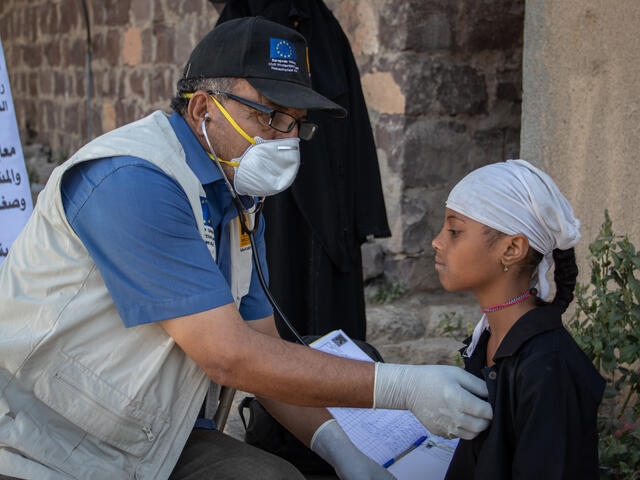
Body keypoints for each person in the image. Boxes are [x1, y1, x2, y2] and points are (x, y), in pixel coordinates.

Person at [0, 18, 492, 480]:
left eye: (296, 122)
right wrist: (403, 387)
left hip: (149, 430)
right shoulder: (134, 181)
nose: (287, 139)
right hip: (46, 436)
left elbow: (263, 349)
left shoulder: (237, 196)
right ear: (202, 108)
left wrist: (346, 455)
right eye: (270, 115)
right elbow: (229, 357)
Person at [216, 0, 391, 343]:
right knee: (271, 277)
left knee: (326, 309)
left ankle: (335, 380)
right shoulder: (239, 28)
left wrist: (358, 210)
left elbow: (349, 121)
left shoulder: (323, 33)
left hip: (327, 185)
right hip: (259, 182)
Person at [430, 160, 605, 479]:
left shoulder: (547, 372)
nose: (437, 241)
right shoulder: (488, 338)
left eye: (454, 231)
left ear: (512, 249)